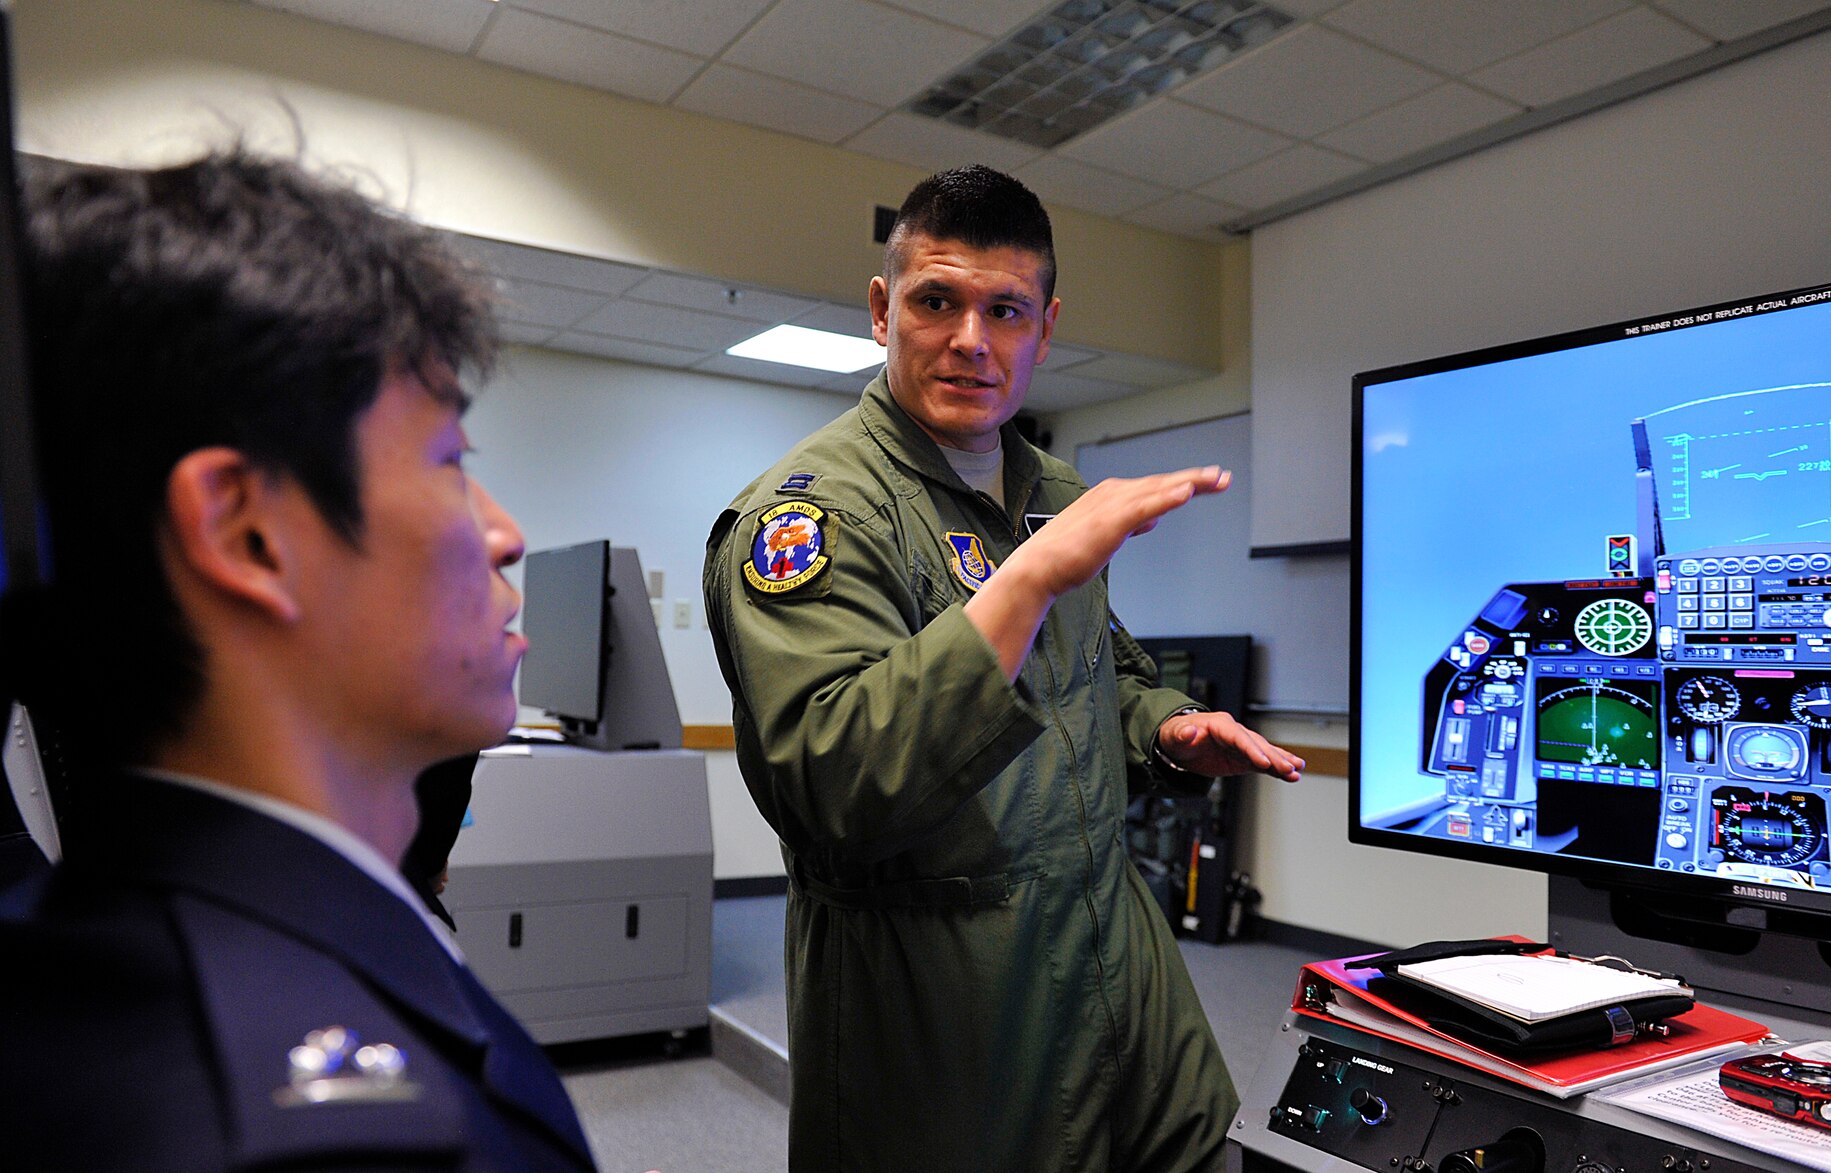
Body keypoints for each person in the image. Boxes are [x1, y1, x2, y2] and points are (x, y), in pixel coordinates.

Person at [0, 152, 596, 1172]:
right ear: (248, 536)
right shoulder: (318, 1139)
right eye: (451, 462)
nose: (504, 536)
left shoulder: (131, 942)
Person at [703, 164, 1305, 1173]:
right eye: (936, 301)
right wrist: (1024, 584)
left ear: (1045, 326)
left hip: (1112, 945)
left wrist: (1161, 725)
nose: (970, 340)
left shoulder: (1051, 490)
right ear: (880, 310)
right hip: (941, 986)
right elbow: (833, 777)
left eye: (1005, 310)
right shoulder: (813, 518)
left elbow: (1097, 672)